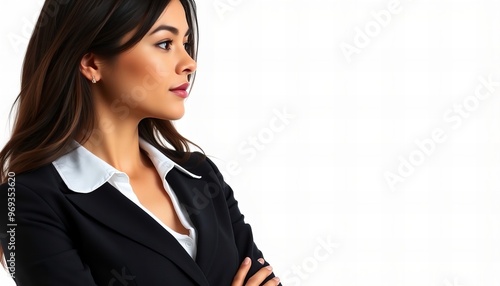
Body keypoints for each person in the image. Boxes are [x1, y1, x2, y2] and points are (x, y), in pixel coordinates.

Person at [0, 0, 281, 285]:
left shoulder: (201, 174)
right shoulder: (25, 201)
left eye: (186, 42)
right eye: (164, 43)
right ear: (92, 62)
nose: (189, 63)